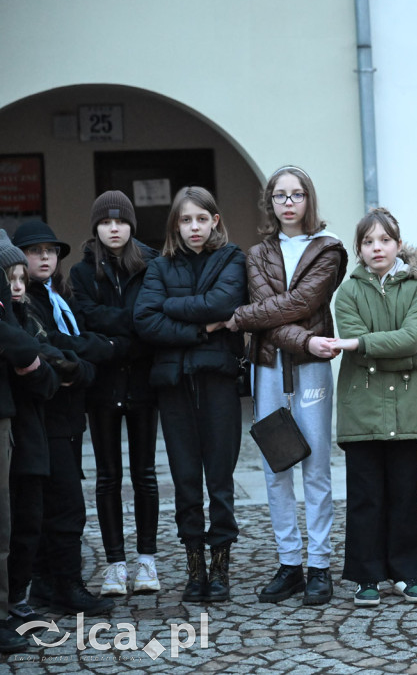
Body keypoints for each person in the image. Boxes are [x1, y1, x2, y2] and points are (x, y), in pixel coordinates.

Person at [228, 166, 347, 605]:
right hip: (269, 367)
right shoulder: (257, 254)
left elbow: (298, 303)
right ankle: (289, 564)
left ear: (308, 200)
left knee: (316, 466)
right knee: (277, 465)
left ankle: (319, 565)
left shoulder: (328, 250)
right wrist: (305, 337)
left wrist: (243, 318)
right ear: (270, 203)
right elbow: (272, 316)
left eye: (297, 194)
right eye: (280, 195)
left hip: (313, 369)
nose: (289, 202)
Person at [134, 187, 247, 602]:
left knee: (220, 478)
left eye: (201, 218)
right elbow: (145, 320)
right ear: (175, 226)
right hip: (174, 387)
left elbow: (224, 302)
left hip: (218, 383)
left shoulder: (233, 258)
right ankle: (194, 569)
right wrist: (203, 329)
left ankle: (220, 569)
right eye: (186, 220)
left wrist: (174, 308)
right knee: (185, 480)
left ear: (214, 220)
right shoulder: (159, 266)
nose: (194, 227)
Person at [13, 220, 121, 615]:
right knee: (64, 506)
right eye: (35, 250)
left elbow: (70, 349)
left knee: (56, 502)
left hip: (68, 417)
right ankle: (65, 587)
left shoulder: (55, 295)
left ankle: (46, 584)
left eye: (50, 250)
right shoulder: (23, 299)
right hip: (46, 415)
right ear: (18, 258)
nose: (45, 257)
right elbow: (53, 349)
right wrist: (89, 362)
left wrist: (83, 363)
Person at [333, 208, 417, 607]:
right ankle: (367, 577)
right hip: (362, 410)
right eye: (369, 241)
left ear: (397, 244)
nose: (377, 248)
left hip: (407, 409)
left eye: (385, 240)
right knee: (365, 497)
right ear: (359, 249)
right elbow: (353, 339)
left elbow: (412, 337)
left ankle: (407, 574)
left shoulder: (416, 289)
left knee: (405, 495)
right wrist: (406, 355)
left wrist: (367, 348)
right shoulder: (348, 292)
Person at [70, 191, 161, 597]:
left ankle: (147, 561)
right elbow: (87, 320)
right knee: (108, 477)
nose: (113, 228)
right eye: (106, 222)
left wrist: (118, 333)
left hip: (142, 383)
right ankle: (114, 565)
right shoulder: (81, 272)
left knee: (145, 475)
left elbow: (150, 320)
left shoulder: (152, 265)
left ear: (130, 226)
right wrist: (128, 330)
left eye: (120, 221)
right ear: (96, 227)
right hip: (103, 387)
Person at [1, 236, 59, 635]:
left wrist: (40, 368)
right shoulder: (11, 324)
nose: (19, 286)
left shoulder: (27, 317)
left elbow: (49, 375)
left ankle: (18, 600)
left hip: (31, 437)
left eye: (22, 278)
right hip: (14, 434)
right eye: (11, 279)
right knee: (10, 525)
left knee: (27, 523)